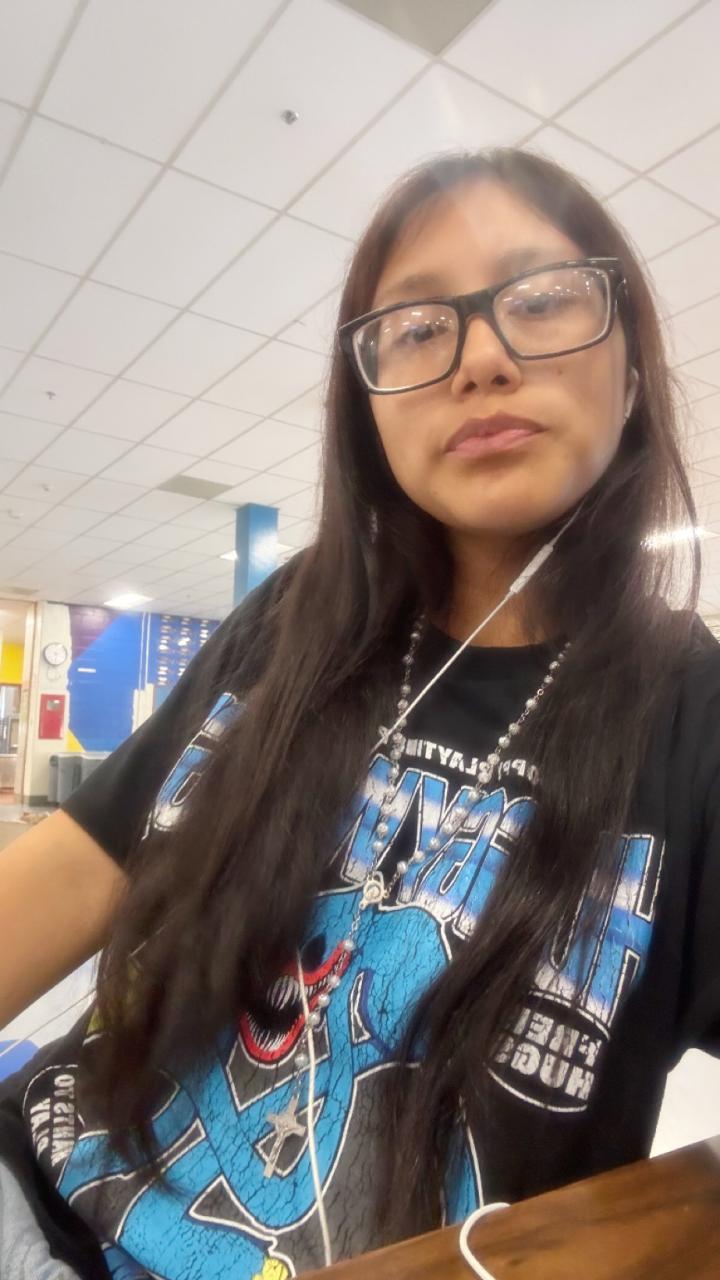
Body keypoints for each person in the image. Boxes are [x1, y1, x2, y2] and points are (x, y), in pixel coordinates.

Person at [0, 146, 719, 1280]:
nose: (481, 358)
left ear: (631, 362)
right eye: (420, 327)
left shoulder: (694, 720)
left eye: (542, 299)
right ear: (367, 405)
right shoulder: (297, 619)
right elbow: (78, 869)